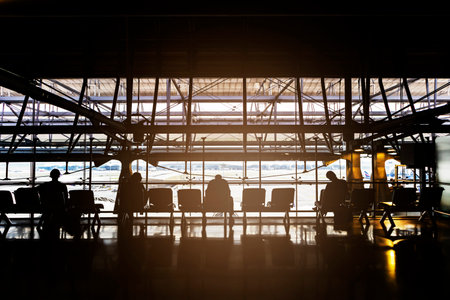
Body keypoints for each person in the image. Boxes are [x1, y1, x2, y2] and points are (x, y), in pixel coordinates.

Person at [38, 169, 68, 238]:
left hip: (47, 206)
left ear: (51, 176)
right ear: (58, 176)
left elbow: (35, 189)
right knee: (56, 223)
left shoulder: (45, 185)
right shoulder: (62, 186)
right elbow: (66, 198)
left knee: (47, 221)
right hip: (58, 207)